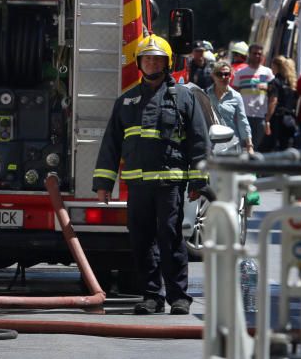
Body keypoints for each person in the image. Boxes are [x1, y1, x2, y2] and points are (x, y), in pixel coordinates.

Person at [93, 34, 209, 316]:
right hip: (138, 185)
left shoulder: (184, 97)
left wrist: (198, 180)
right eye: (147, 59)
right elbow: (111, 144)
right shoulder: (127, 101)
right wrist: (103, 184)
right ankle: (151, 296)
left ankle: (178, 297)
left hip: (169, 183)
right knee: (141, 240)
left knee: (169, 237)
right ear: (139, 63)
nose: (152, 63)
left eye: (157, 59)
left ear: (167, 63)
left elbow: (198, 141)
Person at [233, 44, 275, 151]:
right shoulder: (240, 73)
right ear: (249, 55)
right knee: (243, 147)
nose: (257, 56)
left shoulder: (267, 73)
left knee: (256, 147)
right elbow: (234, 96)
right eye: (254, 53)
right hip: (243, 116)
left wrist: (268, 118)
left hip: (260, 117)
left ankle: (252, 167)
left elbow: (273, 96)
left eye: (259, 54)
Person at [207, 60, 252, 154]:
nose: (223, 77)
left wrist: (249, 146)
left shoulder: (236, 96)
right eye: (219, 74)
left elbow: (242, 121)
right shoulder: (206, 94)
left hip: (230, 143)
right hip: (211, 143)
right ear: (213, 76)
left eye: (227, 74)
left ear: (231, 76)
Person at [265, 56, 299, 151]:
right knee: (286, 146)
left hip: (277, 118)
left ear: (276, 66)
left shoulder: (274, 82)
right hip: (290, 119)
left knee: (272, 146)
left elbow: (273, 101)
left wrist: (267, 119)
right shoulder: (291, 83)